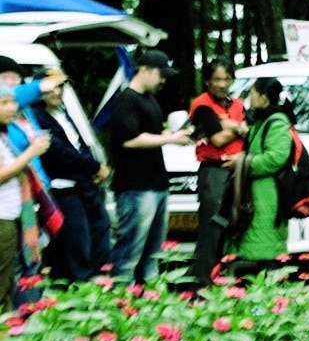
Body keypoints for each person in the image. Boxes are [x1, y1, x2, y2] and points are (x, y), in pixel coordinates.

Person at [102, 49, 183, 287]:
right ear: (144, 70)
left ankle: (150, 306)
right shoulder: (126, 100)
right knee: (130, 252)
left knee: (153, 254)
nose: (163, 80)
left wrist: (172, 134)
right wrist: (170, 140)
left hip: (157, 184)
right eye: (161, 74)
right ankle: (120, 301)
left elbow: (151, 133)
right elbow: (129, 139)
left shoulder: (149, 98)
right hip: (135, 188)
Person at [31, 68, 106, 282]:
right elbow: (58, 153)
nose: (57, 92)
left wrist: (94, 166)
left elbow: (78, 146)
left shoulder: (62, 113)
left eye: (61, 86)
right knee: (76, 243)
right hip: (62, 188)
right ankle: (78, 290)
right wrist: (93, 167)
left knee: (101, 230)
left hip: (83, 184)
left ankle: (98, 283)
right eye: (51, 87)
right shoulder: (36, 116)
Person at [181, 60, 249, 290]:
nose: (221, 84)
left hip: (239, 171)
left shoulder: (238, 104)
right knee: (212, 227)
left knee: (236, 224)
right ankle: (200, 283)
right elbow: (218, 140)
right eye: (216, 79)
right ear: (208, 81)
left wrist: (231, 125)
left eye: (226, 79)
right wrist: (239, 128)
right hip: (214, 173)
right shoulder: (201, 106)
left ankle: (227, 278)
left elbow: (252, 132)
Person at [232, 77, 295, 277]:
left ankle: (272, 302)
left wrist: (241, 162)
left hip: (269, 197)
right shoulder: (261, 121)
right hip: (259, 196)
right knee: (261, 252)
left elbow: (275, 158)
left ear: (264, 97)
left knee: (269, 254)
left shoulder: (277, 123)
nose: (249, 98)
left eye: (252, 94)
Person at [0, 85, 50, 306]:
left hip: (12, 215)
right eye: (4, 103)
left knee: (10, 283)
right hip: (2, 218)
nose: (12, 107)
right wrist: (31, 153)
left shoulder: (4, 135)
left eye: (13, 102)